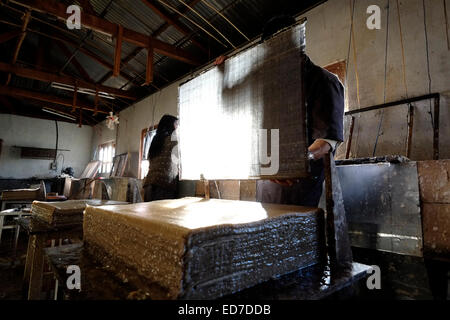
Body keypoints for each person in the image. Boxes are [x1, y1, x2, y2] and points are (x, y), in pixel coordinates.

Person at [215, 15, 344, 207]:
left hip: (299, 183)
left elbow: (326, 141)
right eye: (269, 52)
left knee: (294, 230)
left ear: (295, 42)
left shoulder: (323, 81)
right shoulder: (272, 87)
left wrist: (296, 163)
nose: (273, 58)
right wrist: (223, 74)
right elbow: (230, 100)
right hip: (268, 179)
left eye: (278, 49)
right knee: (266, 229)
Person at [143, 115, 179, 202]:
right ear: (170, 125)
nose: (177, 127)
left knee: (148, 215)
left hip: (149, 183)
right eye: (176, 124)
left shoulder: (155, 140)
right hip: (164, 184)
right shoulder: (174, 139)